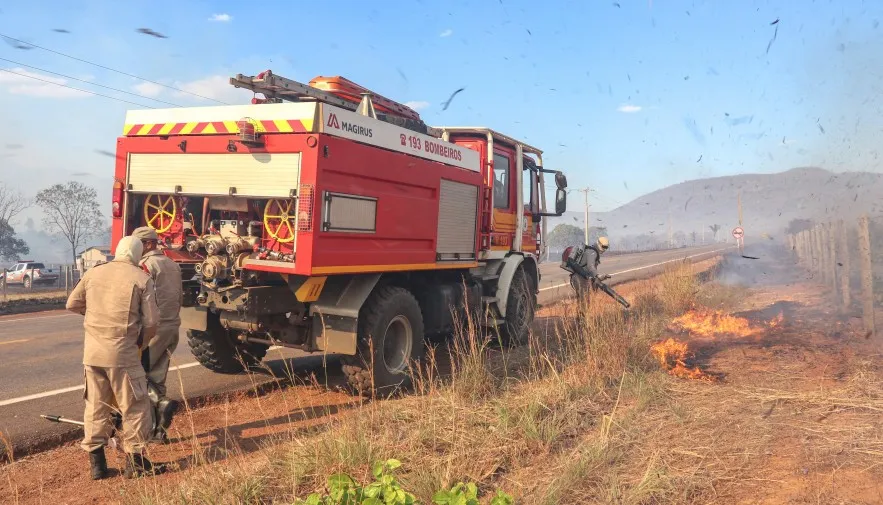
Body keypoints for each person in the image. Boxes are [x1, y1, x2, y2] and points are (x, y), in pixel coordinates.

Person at [66, 236, 163, 480]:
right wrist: (141, 341)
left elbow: (72, 303)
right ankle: (136, 463)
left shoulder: (94, 273)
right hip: (124, 355)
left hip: (93, 355)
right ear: (138, 255)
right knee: (135, 407)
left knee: (96, 406)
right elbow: (151, 322)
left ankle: (97, 464)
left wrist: (95, 317)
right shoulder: (141, 278)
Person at [131, 226, 183, 442]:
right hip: (173, 327)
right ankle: (158, 432)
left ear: (149, 244)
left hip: (154, 331)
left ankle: (158, 409)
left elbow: (142, 301)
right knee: (158, 378)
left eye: (138, 244)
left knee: (140, 377)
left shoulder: (145, 266)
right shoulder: (172, 264)